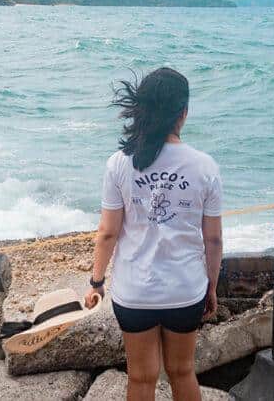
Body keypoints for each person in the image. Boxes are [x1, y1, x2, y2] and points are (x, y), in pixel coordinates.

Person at [85, 67, 224, 401]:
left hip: (135, 293)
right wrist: (212, 286)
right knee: (183, 372)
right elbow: (214, 240)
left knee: (141, 378)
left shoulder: (119, 163)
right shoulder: (204, 166)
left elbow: (107, 233)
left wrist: (96, 282)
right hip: (185, 289)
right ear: (183, 113)